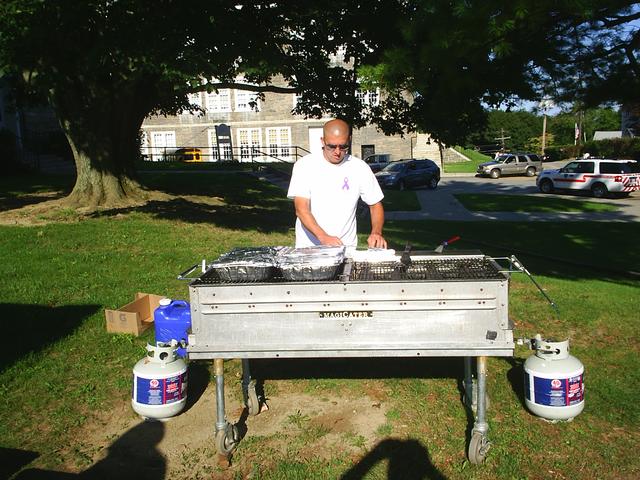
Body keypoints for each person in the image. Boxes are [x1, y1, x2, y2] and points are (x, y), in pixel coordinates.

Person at [287, 119, 387, 249]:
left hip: (346, 248)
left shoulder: (360, 168)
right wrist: (323, 237)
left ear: (349, 140)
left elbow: (375, 204)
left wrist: (376, 233)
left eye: (343, 146)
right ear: (322, 141)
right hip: (310, 249)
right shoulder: (304, 166)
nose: (338, 152)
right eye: (332, 146)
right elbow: (301, 209)